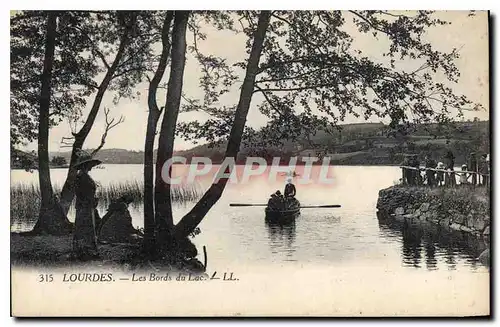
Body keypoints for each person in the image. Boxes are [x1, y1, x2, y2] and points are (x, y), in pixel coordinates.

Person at [72, 155, 102, 260]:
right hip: (85, 205)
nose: (91, 167)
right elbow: (81, 193)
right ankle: (85, 251)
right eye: (89, 165)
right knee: (86, 227)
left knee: (85, 227)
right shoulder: (82, 177)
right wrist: (91, 200)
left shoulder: (82, 176)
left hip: (86, 205)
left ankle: (84, 251)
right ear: (85, 165)